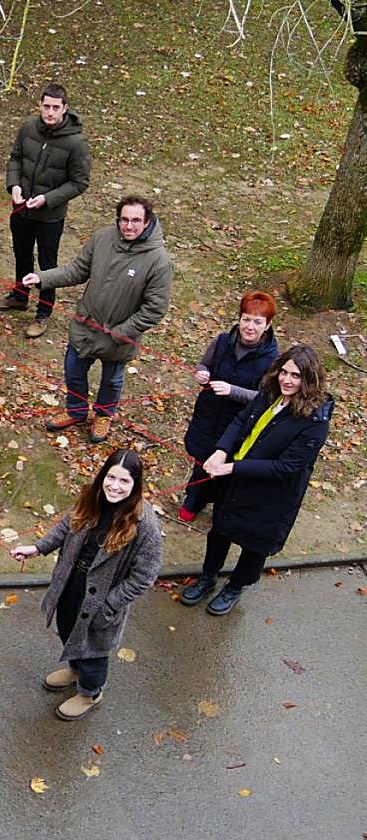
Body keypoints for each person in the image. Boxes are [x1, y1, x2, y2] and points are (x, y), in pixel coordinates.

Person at [180, 345, 334, 616]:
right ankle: (208, 576)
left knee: (254, 545)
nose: (287, 380)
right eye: (284, 372)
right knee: (220, 530)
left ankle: (236, 586)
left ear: (309, 380)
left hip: (271, 494)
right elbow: (241, 420)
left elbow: (287, 466)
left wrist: (232, 468)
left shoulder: (315, 421)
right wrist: (220, 450)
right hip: (236, 478)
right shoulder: (270, 394)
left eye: (296, 376)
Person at [10, 449, 162, 721]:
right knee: (69, 631)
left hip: (102, 602)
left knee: (94, 651)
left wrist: (110, 605)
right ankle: (75, 670)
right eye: (111, 477)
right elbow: (67, 526)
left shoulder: (145, 524)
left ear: (135, 485)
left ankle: (90, 691)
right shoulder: (92, 498)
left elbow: (144, 577)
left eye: (124, 481)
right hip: (72, 585)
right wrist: (37, 548)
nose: (114, 486)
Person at [23, 195, 173, 444]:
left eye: (136, 220)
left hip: (119, 337)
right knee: (73, 370)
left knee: (112, 380)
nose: (129, 226)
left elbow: (155, 309)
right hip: (86, 324)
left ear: (147, 222)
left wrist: (121, 331)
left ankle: (104, 414)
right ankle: (76, 410)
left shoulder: (158, 261)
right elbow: (78, 270)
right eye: (124, 219)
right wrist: (43, 278)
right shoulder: (103, 238)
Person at [0, 83, 91, 338]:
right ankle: (19, 296)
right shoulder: (28, 128)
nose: (50, 112)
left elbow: (80, 182)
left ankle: (43, 313)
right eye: (46, 106)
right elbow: (15, 158)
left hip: (50, 217)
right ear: (40, 106)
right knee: (21, 254)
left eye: (56, 108)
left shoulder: (76, 143)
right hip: (21, 210)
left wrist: (48, 199)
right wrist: (13, 186)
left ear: (65, 109)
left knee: (47, 265)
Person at [178, 291, 279, 521]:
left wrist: (233, 391)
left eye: (257, 322)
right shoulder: (222, 341)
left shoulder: (272, 359)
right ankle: (193, 500)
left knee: (227, 466)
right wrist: (202, 373)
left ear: (267, 325)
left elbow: (267, 397)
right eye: (246, 319)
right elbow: (204, 363)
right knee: (201, 460)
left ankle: (221, 507)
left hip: (239, 423)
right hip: (208, 414)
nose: (250, 326)